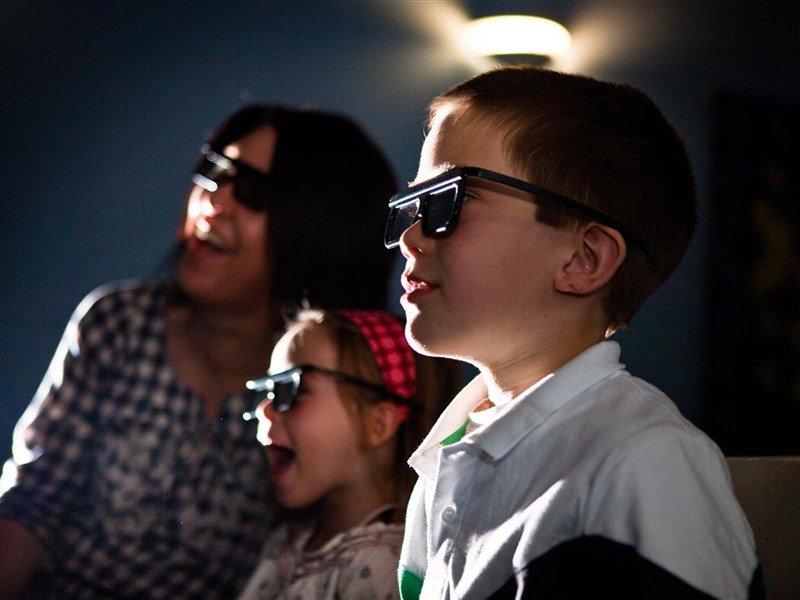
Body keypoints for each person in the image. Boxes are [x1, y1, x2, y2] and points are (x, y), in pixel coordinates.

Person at [386, 67, 763, 599]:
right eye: (415, 204)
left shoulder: (645, 463)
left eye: (451, 199)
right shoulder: (448, 459)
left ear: (585, 258)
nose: (410, 236)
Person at [0, 105, 398, 598]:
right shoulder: (118, 325)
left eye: (253, 193)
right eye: (213, 171)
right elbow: (33, 505)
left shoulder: (325, 387)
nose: (214, 200)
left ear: (318, 230)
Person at [238, 308, 461, 600]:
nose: (262, 409)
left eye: (290, 388)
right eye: (265, 391)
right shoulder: (291, 540)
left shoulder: (382, 566)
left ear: (377, 424)